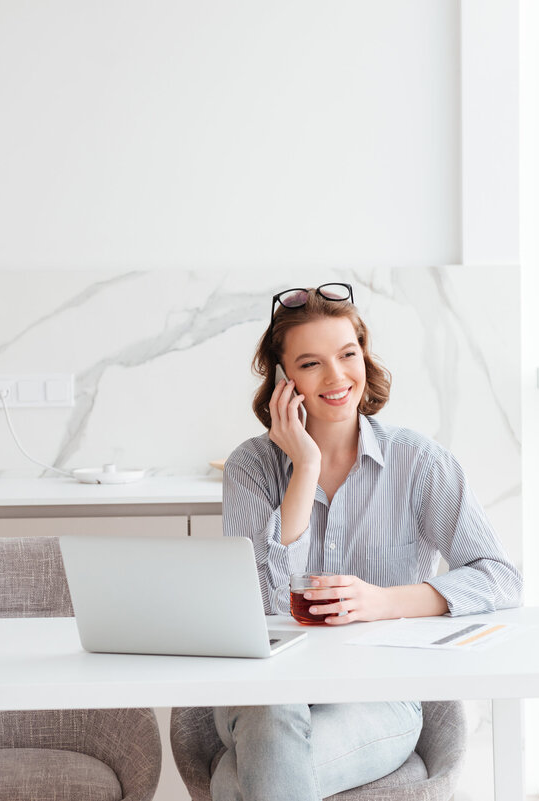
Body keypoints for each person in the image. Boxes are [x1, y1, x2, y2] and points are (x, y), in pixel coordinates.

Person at [213, 283, 523, 801]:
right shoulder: (252, 467)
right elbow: (260, 604)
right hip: (263, 692)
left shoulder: (419, 462)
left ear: (365, 357)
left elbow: (499, 574)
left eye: (347, 354)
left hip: (379, 697)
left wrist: (382, 602)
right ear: (284, 382)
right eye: (311, 364)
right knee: (272, 716)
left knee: (235, 781)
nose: (337, 377)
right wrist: (305, 468)